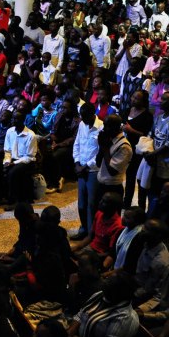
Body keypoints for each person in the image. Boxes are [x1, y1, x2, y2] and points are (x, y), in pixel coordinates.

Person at [67, 271, 140, 337]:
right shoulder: (100, 295)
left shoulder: (125, 316)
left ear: (118, 292)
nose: (104, 281)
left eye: (109, 282)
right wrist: (71, 331)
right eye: (107, 279)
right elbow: (81, 314)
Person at [72, 102, 102, 240]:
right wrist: (77, 162)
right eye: (81, 116)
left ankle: (92, 234)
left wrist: (86, 166)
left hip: (93, 171)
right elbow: (77, 144)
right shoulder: (82, 125)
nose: (82, 119)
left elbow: (100, 153)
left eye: (85, 116)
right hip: (81, 169)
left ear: (92, 114)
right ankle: (84, 229)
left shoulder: (101, 127)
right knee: (81, 204)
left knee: (92, 204)